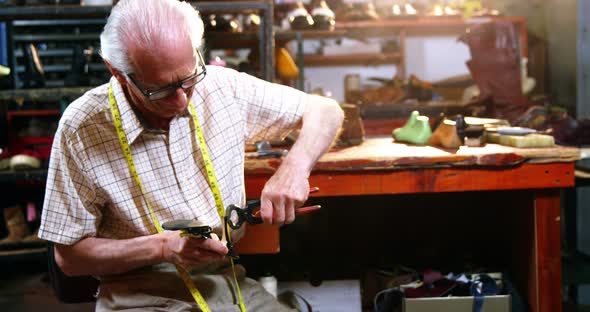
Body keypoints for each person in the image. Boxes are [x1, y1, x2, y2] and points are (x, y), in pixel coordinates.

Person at [37, 0, 343, 311]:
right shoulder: (82, 129)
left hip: (224, 281)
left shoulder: (222, 88)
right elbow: (70, 258)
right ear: (118, 72)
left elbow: (325, 110)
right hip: (137, 295)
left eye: (189, 79)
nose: (182, 100)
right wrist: (160, 247)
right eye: (161, 90)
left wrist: (294, 168)